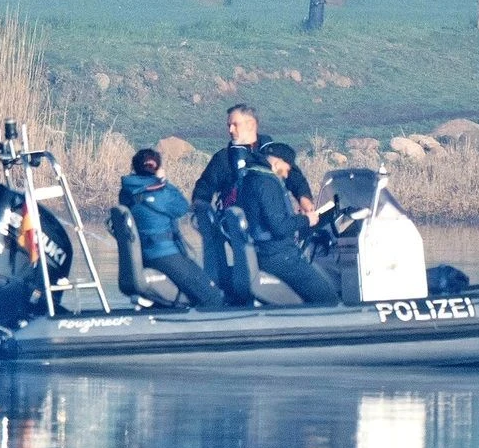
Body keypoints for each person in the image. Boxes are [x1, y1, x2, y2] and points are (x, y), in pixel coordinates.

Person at [190, 105, 310, 307]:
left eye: (235, 125)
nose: (230, 130)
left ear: (251, 125)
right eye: (229, 125)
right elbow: (204, 188)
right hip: (239, 229)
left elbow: (295, 177)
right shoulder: (223, 159)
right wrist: (201, 210)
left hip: (271, 226)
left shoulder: (273, 153)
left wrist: (304, 198)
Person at [118, 148, 223, 308]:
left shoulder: (127, 192)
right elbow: (182, 207)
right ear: (158, 167)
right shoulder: (161, 193)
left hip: (145, 256)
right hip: (165, 255)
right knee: (212, 295)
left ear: (134, 167)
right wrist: (163, 181)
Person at [239, 143, 338, 307]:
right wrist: (307, 220)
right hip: (279, 256)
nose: (286, 174)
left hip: (266, 251)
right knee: (328, 297)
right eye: (286, 168)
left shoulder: (250, 178)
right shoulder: (266, 183)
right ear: (277, 162)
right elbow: (279, 226)